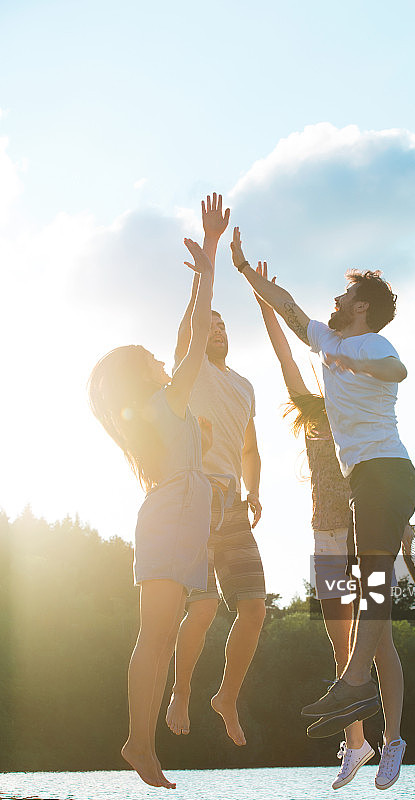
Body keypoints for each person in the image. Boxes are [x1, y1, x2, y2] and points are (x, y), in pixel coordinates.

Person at [231, 228, 415, 789]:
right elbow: (288, 308)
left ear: (361, 308)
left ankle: (357, 684)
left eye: (342, 298)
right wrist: (244, 269)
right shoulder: (328, 343)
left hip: (387, 473)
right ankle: (374, 730)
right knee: (373, 616)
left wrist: (358, 365)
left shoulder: (370, 347)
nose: (333, 304)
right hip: (367, 483)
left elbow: (398, 372)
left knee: (375, 590)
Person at [87, 233, 215, 789]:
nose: (163, 359)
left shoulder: (163, 409)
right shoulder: (167, 401)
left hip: (185, 516)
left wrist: (195, 281)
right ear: (144, 375)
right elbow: (197, 338)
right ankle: (140, 743)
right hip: (172, 516)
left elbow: (187, 334)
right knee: (156, 634)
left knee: (172, 629)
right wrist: (208, 270)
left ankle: (145, 737)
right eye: (152, 358)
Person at [165, 195, 266, 748]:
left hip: (234, 504)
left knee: (253, 607)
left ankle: (224, 695)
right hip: (198, 498)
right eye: (213, 324)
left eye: (226, 325)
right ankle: (181, 691)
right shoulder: (194, 365)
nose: (218, 330)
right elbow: (191, 330)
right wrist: (205, 265)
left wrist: (255, 492)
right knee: (202, 608)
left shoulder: (245, 387)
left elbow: (252, 449)